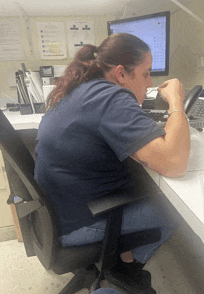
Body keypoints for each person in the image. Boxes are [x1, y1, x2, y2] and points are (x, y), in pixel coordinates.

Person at [34, 33, 190, 291]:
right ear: (121, 73)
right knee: (177, 210)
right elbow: (174, 162)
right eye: (146, 73)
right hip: (78, 224)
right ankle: (119, 278)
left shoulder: (83, 90)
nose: (150, 83)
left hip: (54, 218)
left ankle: (118, 262)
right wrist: (176, 102)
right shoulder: (110, 97)